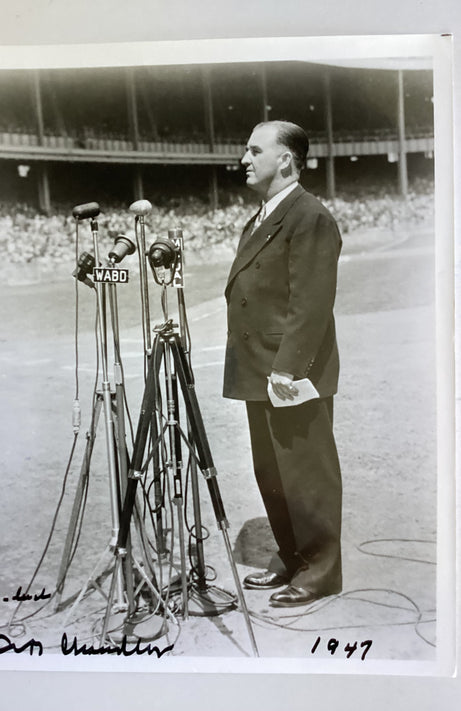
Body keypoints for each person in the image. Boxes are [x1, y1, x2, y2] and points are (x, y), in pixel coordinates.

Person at [223, 120, 343, 607]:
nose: (244, 159)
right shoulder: (263, 216)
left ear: (286, 160)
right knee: (270, 471)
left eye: (255, 150)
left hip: (289, 370)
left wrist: (287, 369)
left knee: (305, 471)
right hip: (258, 366)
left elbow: (311, 303)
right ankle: (293, 555)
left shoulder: (308, 215)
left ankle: (321, 569)